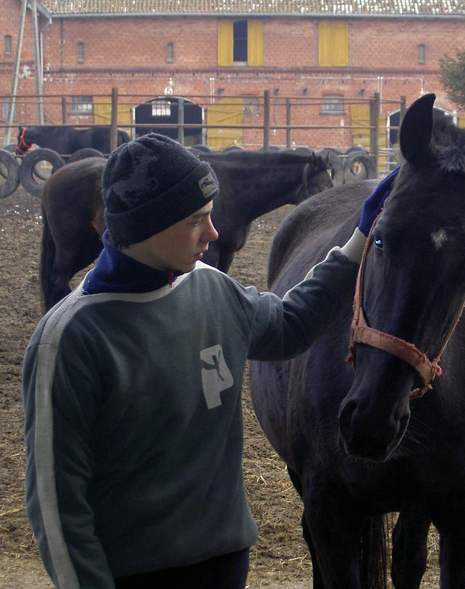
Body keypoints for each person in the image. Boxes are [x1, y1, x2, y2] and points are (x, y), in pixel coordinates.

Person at [22, 134, 398, 589]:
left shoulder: (212, 289)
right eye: (197, 219)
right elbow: (57, 502)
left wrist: (359, 238)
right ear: (148, 225)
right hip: (131, 573)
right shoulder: (70, 339)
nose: (214, 233)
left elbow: (292, 324)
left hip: (223, 561)